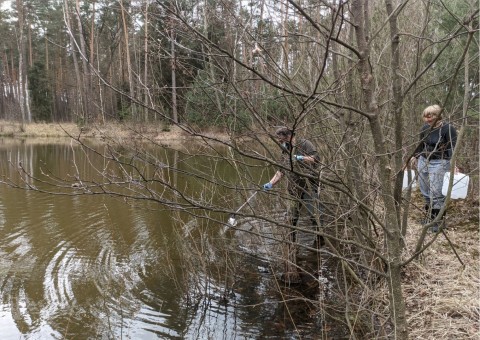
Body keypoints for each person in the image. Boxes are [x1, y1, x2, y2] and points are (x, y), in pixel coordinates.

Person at [263, 126, 323, 245]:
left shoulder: (305, 144)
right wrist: (270, 183)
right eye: (279, 141)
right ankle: (291, 242)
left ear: (289, 136)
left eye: (282, 140)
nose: (280, 143)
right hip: (293, 189)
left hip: (309, 186)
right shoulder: (285, 150)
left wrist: (301, 158)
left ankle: (320, 240)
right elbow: (281, 171)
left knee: (314, 215)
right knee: (292, 218)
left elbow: (316, 159)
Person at [411, 105, 458, 232]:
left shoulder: (448, 129)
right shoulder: (425, 128)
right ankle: (430, 218)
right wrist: (415, 156)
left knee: (436, 193)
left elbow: (453, 148)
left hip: (440, 162)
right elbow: (420, 144)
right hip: (423, 160)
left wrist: (453, 164)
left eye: (431, 115)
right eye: (426, 116)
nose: (428, 119)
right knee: (425, 190)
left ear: (438, 115)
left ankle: (438, 222)